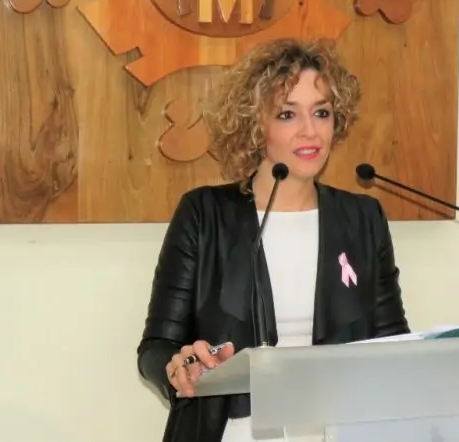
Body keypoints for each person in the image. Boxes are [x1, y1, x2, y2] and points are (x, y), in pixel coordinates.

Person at [135, 38, 411, 442]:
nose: (310, 131)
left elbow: (395, 346)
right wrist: (179, 366)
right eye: (287, 114)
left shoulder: (363, 219)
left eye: (321, 112)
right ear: (255, 125)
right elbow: (156, 347)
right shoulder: (204, 214)